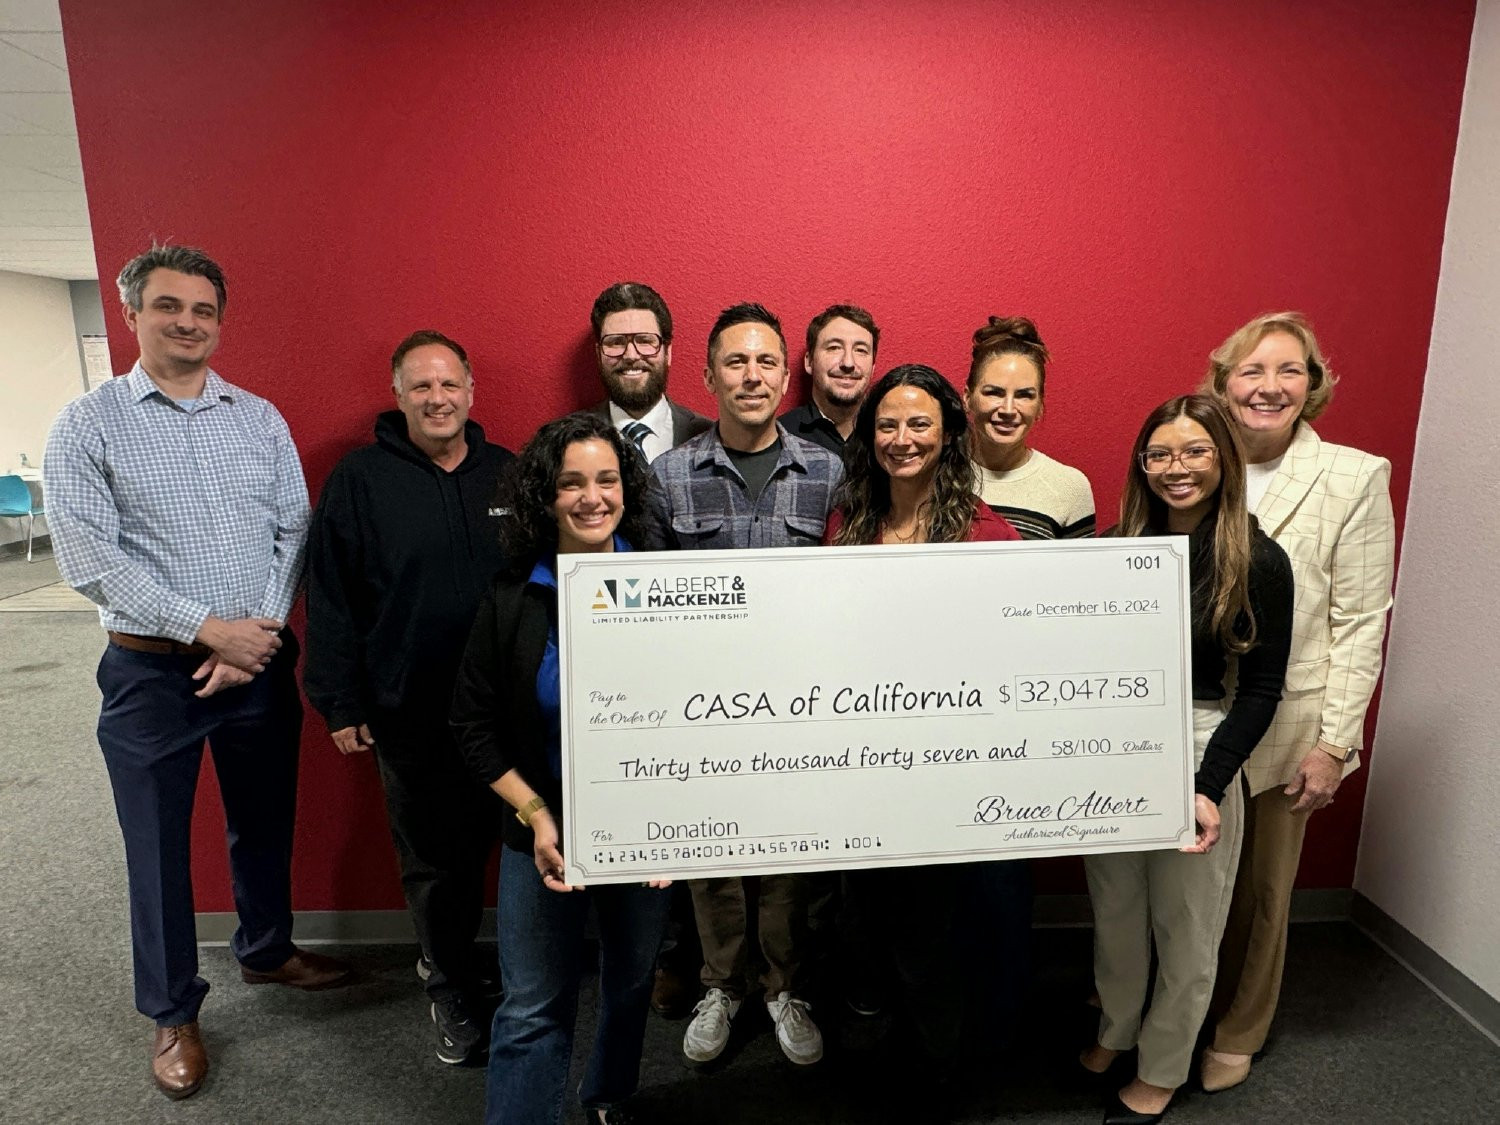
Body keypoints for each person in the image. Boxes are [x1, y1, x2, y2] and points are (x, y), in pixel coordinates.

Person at [42, 244, 350, 1101]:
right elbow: (88, 560)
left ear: (220, 320)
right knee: (157, 848)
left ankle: (266, 948)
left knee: (263, 819)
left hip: (255, 662)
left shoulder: (257, 418)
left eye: (204, 310)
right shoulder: (88, 424)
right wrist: (206, 628)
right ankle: (173, 1009)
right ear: (132, 313)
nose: (188, 322)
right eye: (170, 306)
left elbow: (295, 529)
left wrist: (251, 635)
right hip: (148, 675)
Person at [450, 413, 672, 1125]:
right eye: (571, 482)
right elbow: (472, 725)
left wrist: (679, 826)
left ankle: (608, 1094)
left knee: (632, 978)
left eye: (606, 479)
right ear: (546, 496)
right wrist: (535, 812)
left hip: (645, 831)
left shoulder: (669, 591)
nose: (591, 496)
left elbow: (698, 720)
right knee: (532, 1005)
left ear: (626, 490)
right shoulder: (512, 600)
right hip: (542, 832)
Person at [1080, 394, 1293, 1124]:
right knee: (1115, 908)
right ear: (1142, 464)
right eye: (1161, 453)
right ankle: (1117, 1029)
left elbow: (1263, 690)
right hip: (1113, 739)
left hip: (1200, 741)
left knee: (1186, 922)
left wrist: (1208, 785)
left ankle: (1165, 1064)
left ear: (1223, 459)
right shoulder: (1115, 546)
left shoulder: (1257, 557)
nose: (1177, 468)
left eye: (1195, 451)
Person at [304, 330, 513, 1064]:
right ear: (398, 396)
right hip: (408, 710)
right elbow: (330, 598)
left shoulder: (508, 475)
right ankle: (447, 978)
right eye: (420, 386)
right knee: (435, 859)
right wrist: (340, 699)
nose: (437, 398)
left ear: (470, 390)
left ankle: (494, 966)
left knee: (510, 844)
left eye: (448, 384)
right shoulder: (359, 481)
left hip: (508, 714)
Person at [1198, 313, 1395, 1092]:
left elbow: (1359, 621)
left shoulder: (1354, 476)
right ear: (1222, 383)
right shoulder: (1198, 460)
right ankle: (1182, 1005)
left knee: (1264, 890)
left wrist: (1336, 743)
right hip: (1200, 714)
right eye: (1251, 371)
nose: (1268, 386)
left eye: (1289, 371)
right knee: (1193, 881)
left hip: (1291, 721)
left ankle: (1240, 1026)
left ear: (1312, 385)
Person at [651, 302, 844, 1068]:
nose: (752, 375)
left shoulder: (828, 470)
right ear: (707, 375)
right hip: (706, 707)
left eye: (766, 362)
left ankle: (783, 985)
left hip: (801, 703)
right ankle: (723, 983)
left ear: (784, 373)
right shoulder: (669, 476)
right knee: (714, 859)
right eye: (736, 362)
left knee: (793, 857)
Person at [822, 364, 1018, 1108]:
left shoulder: (985, 530)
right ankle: (880, 1068)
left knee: (931, 934)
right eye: (888, 425)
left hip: (946, 767)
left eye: (919, 425)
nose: (901, 440)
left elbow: (1003, 654)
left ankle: (937, 1080)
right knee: (862, 922)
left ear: (948, 434)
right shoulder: (846, 524)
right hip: (861, 761)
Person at [964, 315, 1094, 539]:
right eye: (994, 392)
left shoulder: (1070, 487)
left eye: (1024, 395)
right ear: (967, 397)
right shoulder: (936, 476)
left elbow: (1078, 574)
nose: (1008, 409)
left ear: (1040, 407)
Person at [587, 281, 712, 463]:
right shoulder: (562, 440)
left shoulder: (710, 436)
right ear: (598, 354)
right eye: (616, 342)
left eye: (645, 340)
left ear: (667, 352)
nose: (631, 355)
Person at [780, 303, 880, 455]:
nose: (848, 363)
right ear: (809, 362)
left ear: (873, 367)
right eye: (834, 348)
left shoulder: (889, 436)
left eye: (861, 350)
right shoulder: (780, 435)